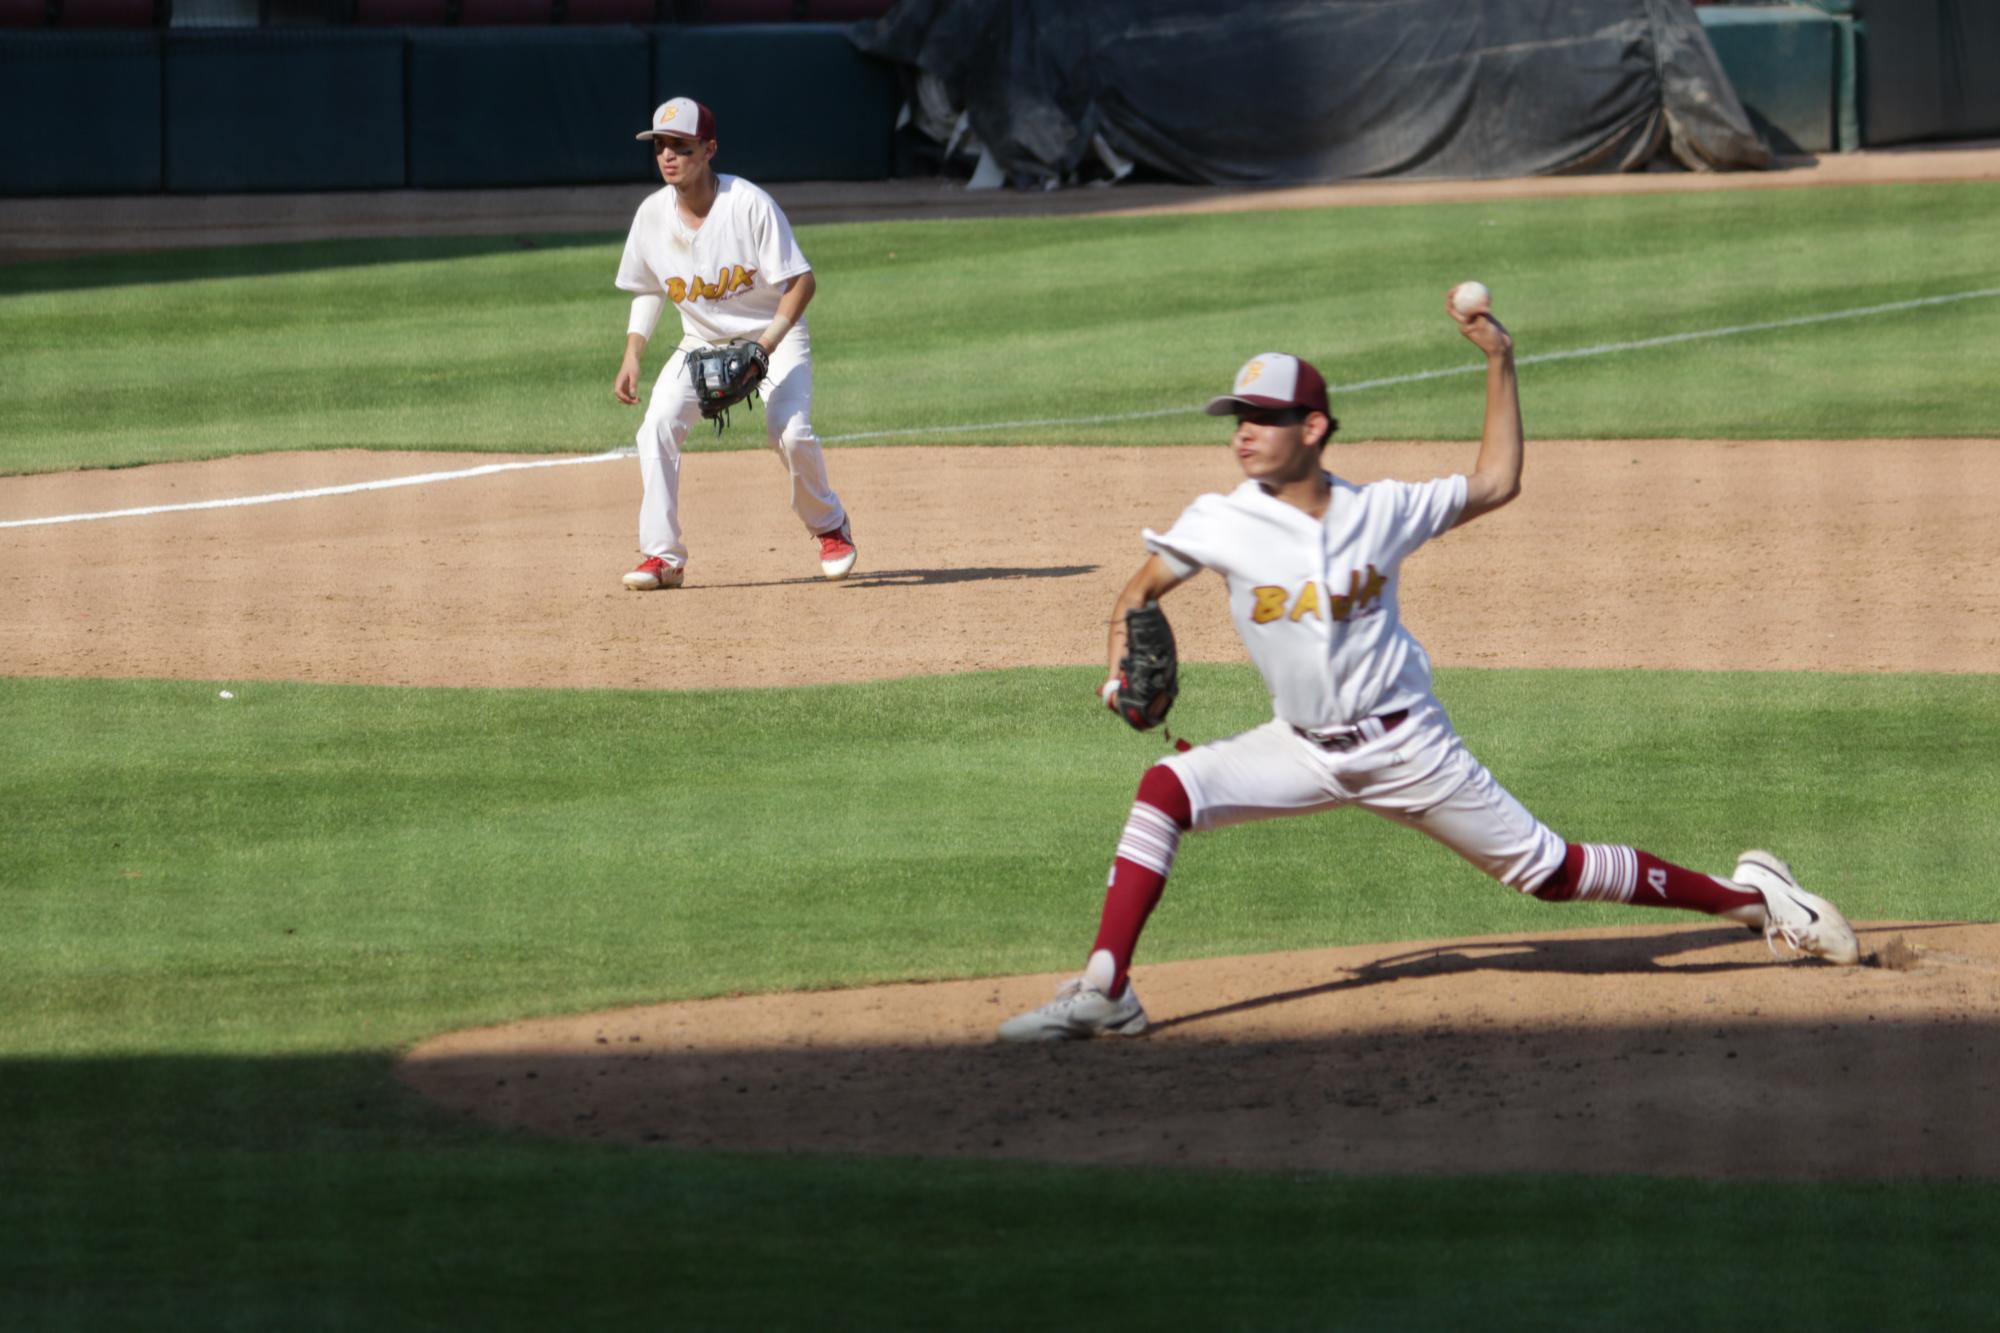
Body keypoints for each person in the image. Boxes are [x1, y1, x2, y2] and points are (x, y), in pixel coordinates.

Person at [999, 295, 1861, 1042]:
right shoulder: (1220, 520)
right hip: (1298, 748)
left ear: (1314, 427)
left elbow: (1496, 480)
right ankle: (1106, 991)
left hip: (1411, 748)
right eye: (1237, 417)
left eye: (1261, 417)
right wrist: (1119, 673)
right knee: (1166, 789)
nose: (1244, 434)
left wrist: (1500, 360)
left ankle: (1754, 899)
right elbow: (1138, 594)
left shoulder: (1385, 510)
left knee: (1551, 873)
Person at [613, 97, 857, 590]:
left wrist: (765, 346)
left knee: (789, 431)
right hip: (700, 342)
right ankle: (664, 557)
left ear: (709, 149)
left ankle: (830, 526)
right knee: (656, 426)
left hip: (773, 335)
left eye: (680, 145)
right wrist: (633, 354)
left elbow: (802, 282)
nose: (668, 156)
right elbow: (648, 286)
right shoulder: (651, 215)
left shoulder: (748, 204)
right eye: (660, 146)